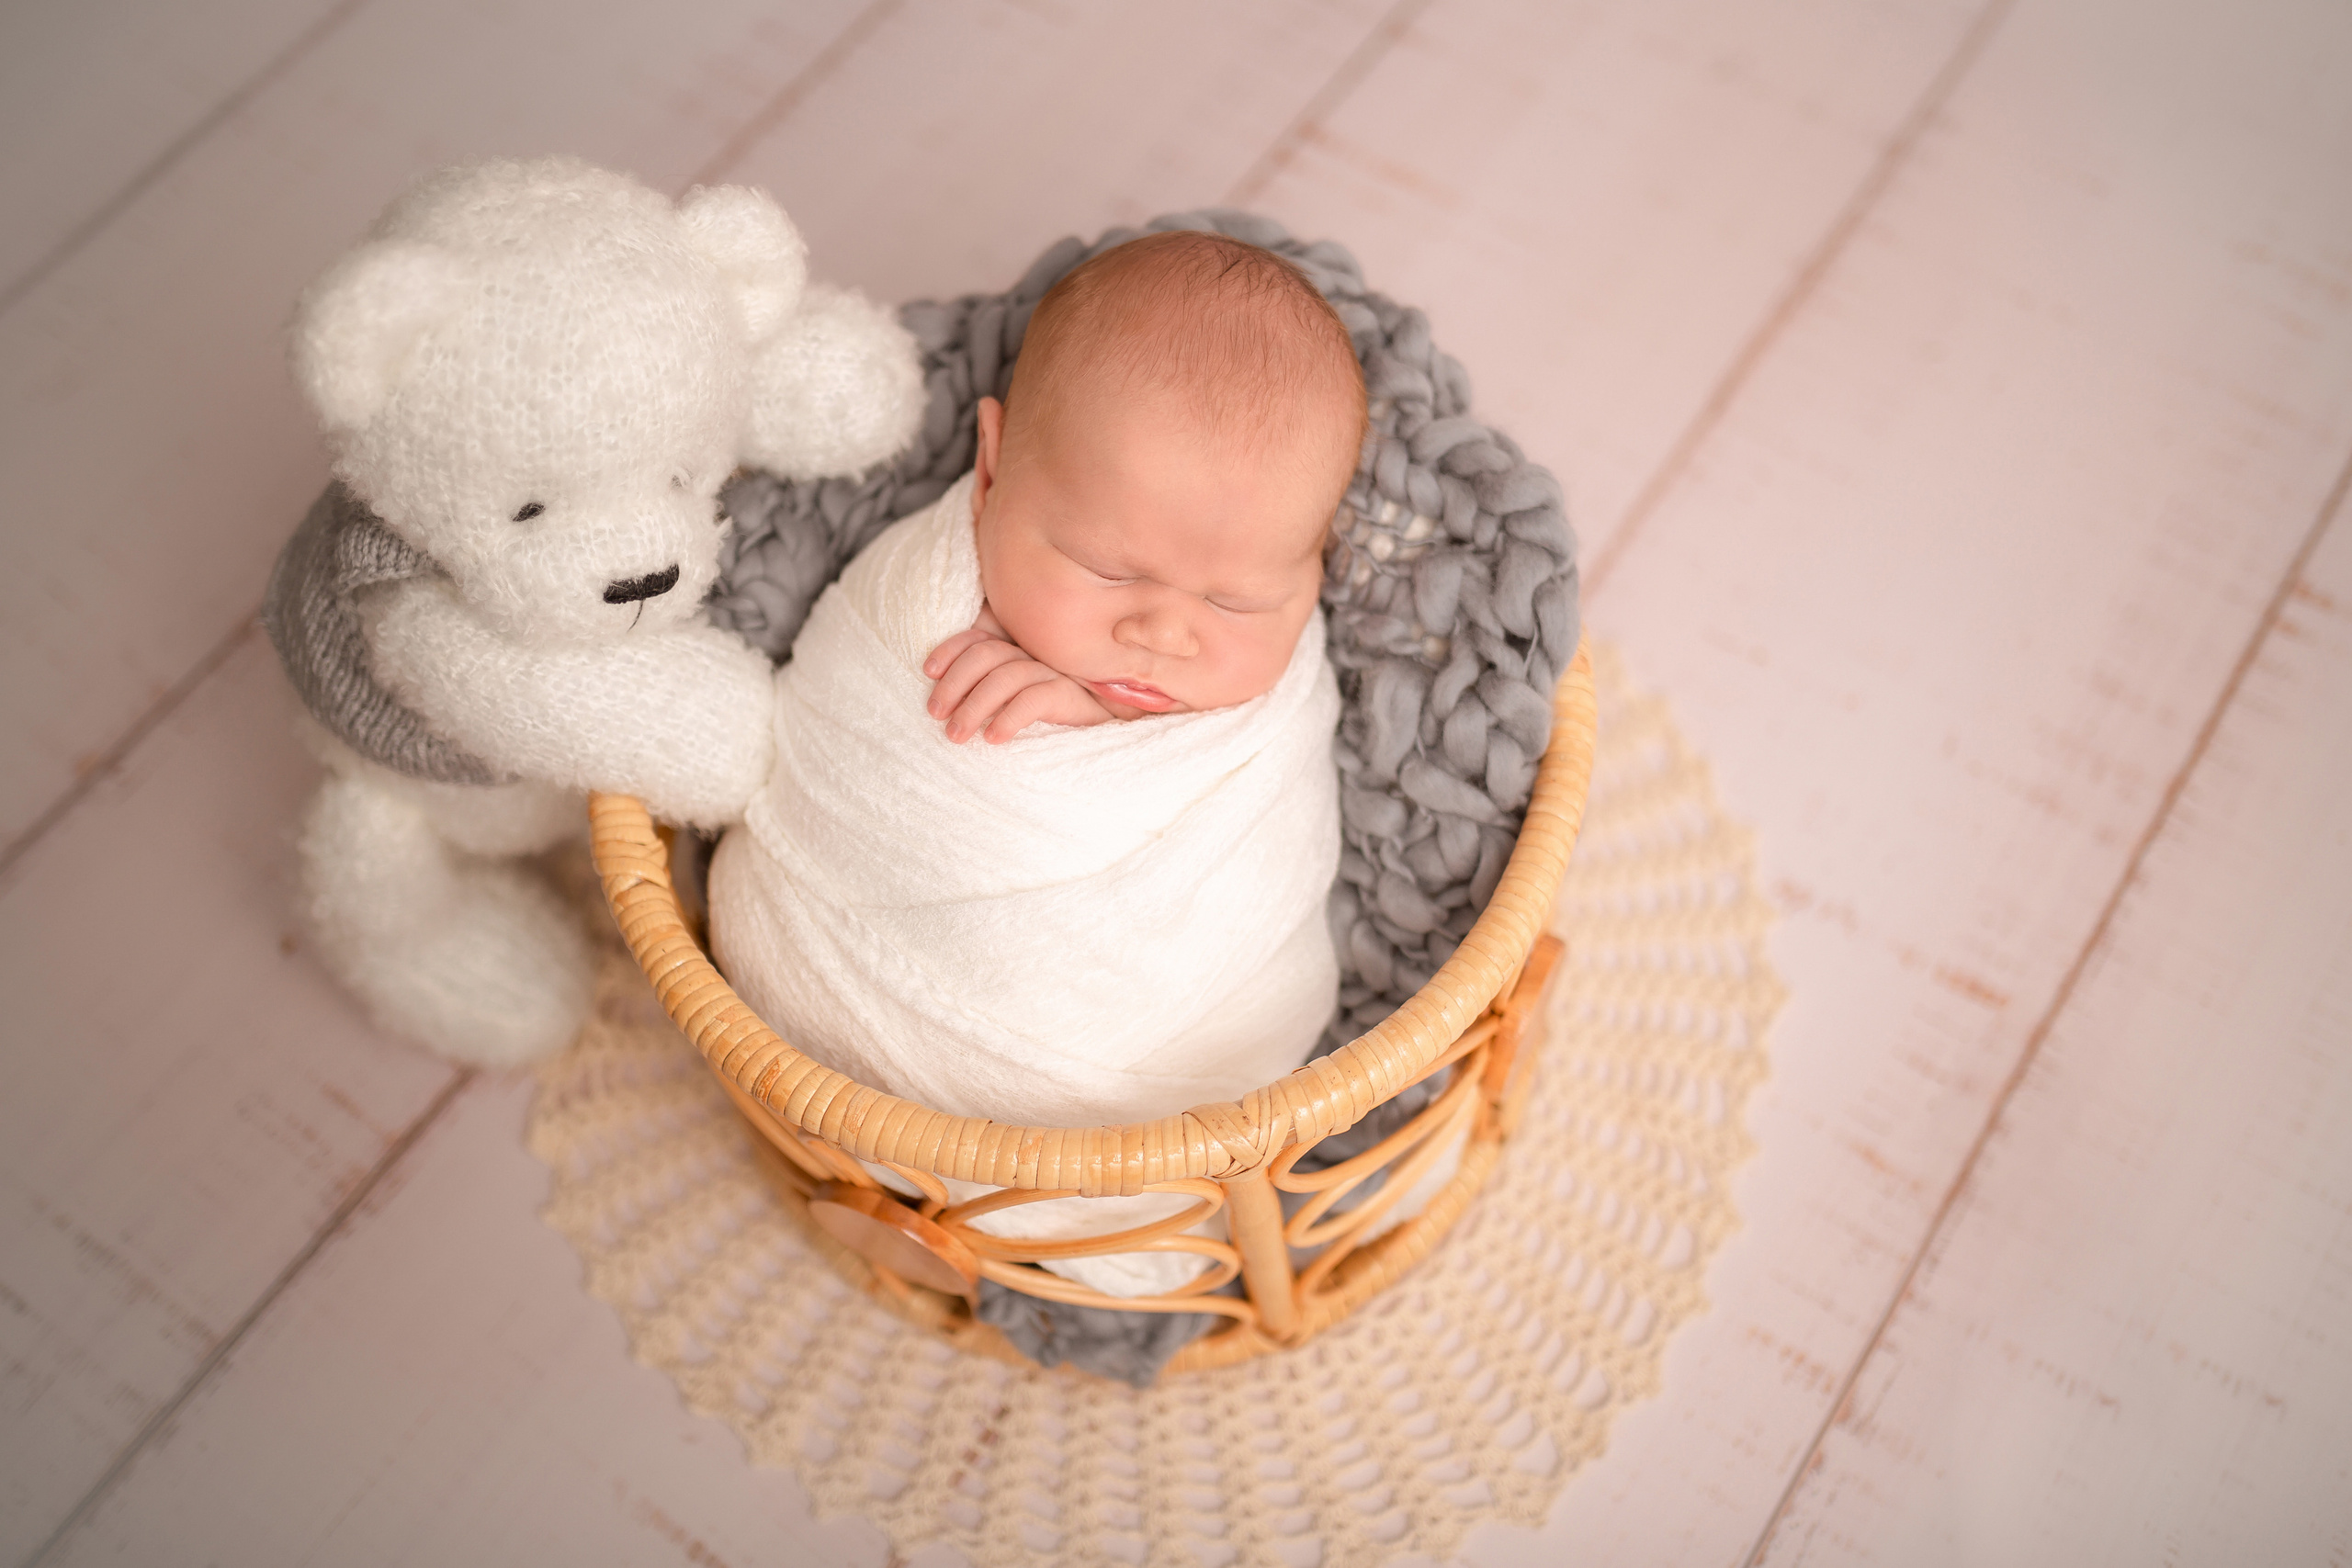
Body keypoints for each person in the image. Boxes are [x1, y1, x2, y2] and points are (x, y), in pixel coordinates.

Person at [707, 230, 1366, 1297]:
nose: (1164, 633)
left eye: (1239, 600)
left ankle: (1008, 1210)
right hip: (855, 998)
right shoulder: (918, 605)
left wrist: (1095, 720)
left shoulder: (1274, 687)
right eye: (1106, 569)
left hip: (1189, 1049)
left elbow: (1264, 822)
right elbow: (845, 741)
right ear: (993, 465)